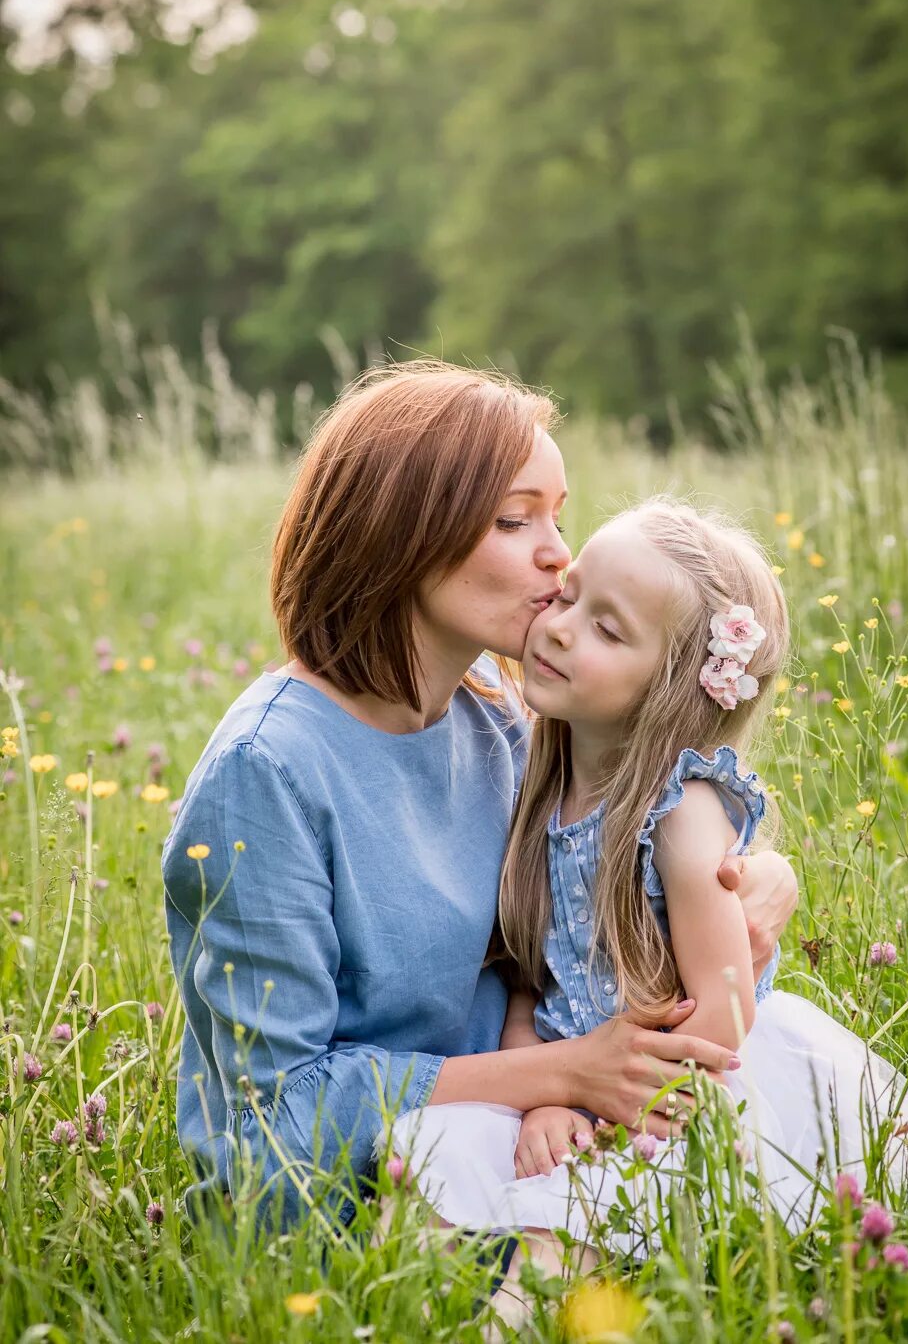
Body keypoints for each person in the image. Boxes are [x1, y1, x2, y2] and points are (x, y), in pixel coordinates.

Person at [160, 364, 798, 1238]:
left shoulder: (497, 721)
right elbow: (272, 1115)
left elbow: (598, 877)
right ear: (401, 532)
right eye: (513, 519)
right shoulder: (266, 773)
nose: (557, 555)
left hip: (528, 1135)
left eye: (558, 516)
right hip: (348, 1203)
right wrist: (565, 1075)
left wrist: (757, 875)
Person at [390, 496, 908, 1315]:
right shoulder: (539, 780)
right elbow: (526, 979)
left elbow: (722, 1014)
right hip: (577, 1075)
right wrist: (548, 1096)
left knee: (576, 1219)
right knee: (423, 1156)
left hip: (685, 1088)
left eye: (607, 629)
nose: (559, 627)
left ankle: (517, 1314)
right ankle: (418, 1297)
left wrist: (606, 1110)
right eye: (569, 596)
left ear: (671, 689)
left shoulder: (681, 813)